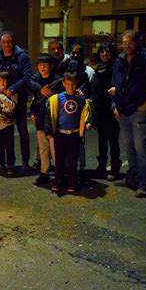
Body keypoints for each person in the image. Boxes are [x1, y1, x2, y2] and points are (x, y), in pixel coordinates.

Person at [112, 29, 146, 198]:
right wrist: (114, 105)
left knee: (141, 147)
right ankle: (133, 178)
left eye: (130, 42)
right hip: (122, 111)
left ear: (137, 42)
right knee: (128, 147)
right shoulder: (120, 60)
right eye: (124, 42)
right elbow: (115, 84)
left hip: (138, 111)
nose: (126, 45)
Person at [0, 31, 32, 172]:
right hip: (1, 102)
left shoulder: (22, 56)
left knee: (23, 132)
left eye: (9, 41)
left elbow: (27, 76)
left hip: (18, 100)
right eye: (4, 41)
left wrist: (12, 89)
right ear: (0, 43)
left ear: (13, 42)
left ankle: (25, 162)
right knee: (0, 132)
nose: (7, 44)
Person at [45, 71, 92, 192]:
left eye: (73, 84)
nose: (71, 87)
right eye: (68, 84)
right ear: (63, 84)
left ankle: (72, 183)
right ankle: (58, 182)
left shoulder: (81, 100)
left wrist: (88, 123)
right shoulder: (57, 98)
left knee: (72, 160)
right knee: (59, 160)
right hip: (60, 134)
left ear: (77, 84)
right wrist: (49, 130)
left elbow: (86, 113)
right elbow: (50, 113)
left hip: (74, 135)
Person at [27, 54, 63, 185]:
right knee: (43, 148)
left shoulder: (58, 81)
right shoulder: (37, 82)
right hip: (40, 120)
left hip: (54, 121)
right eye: (40, 65)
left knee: (55, 149)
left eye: (45, 64)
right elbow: (35, 100)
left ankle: (59, 174)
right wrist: (32, 111)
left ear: (51, 66)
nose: (42, 67)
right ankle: (44, 172)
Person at [90, 41, 121, 181]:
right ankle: (101, 166)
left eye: (107, 51)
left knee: (113, 139)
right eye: (102, 51)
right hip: (100, 109)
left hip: (112, 109)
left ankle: (114, 169)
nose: (104, 53)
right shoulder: (98, 69)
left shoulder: (116, 67)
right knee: (101, 140)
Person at [69, 43, 95, 183]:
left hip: (80, 113)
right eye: (72, 53)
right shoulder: (66, 70)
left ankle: (81, 169)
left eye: (77, 53)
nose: (74, 55)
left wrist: (89, 119)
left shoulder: (86, 74)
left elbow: (89, 97)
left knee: (79, 142)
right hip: (67, 114)